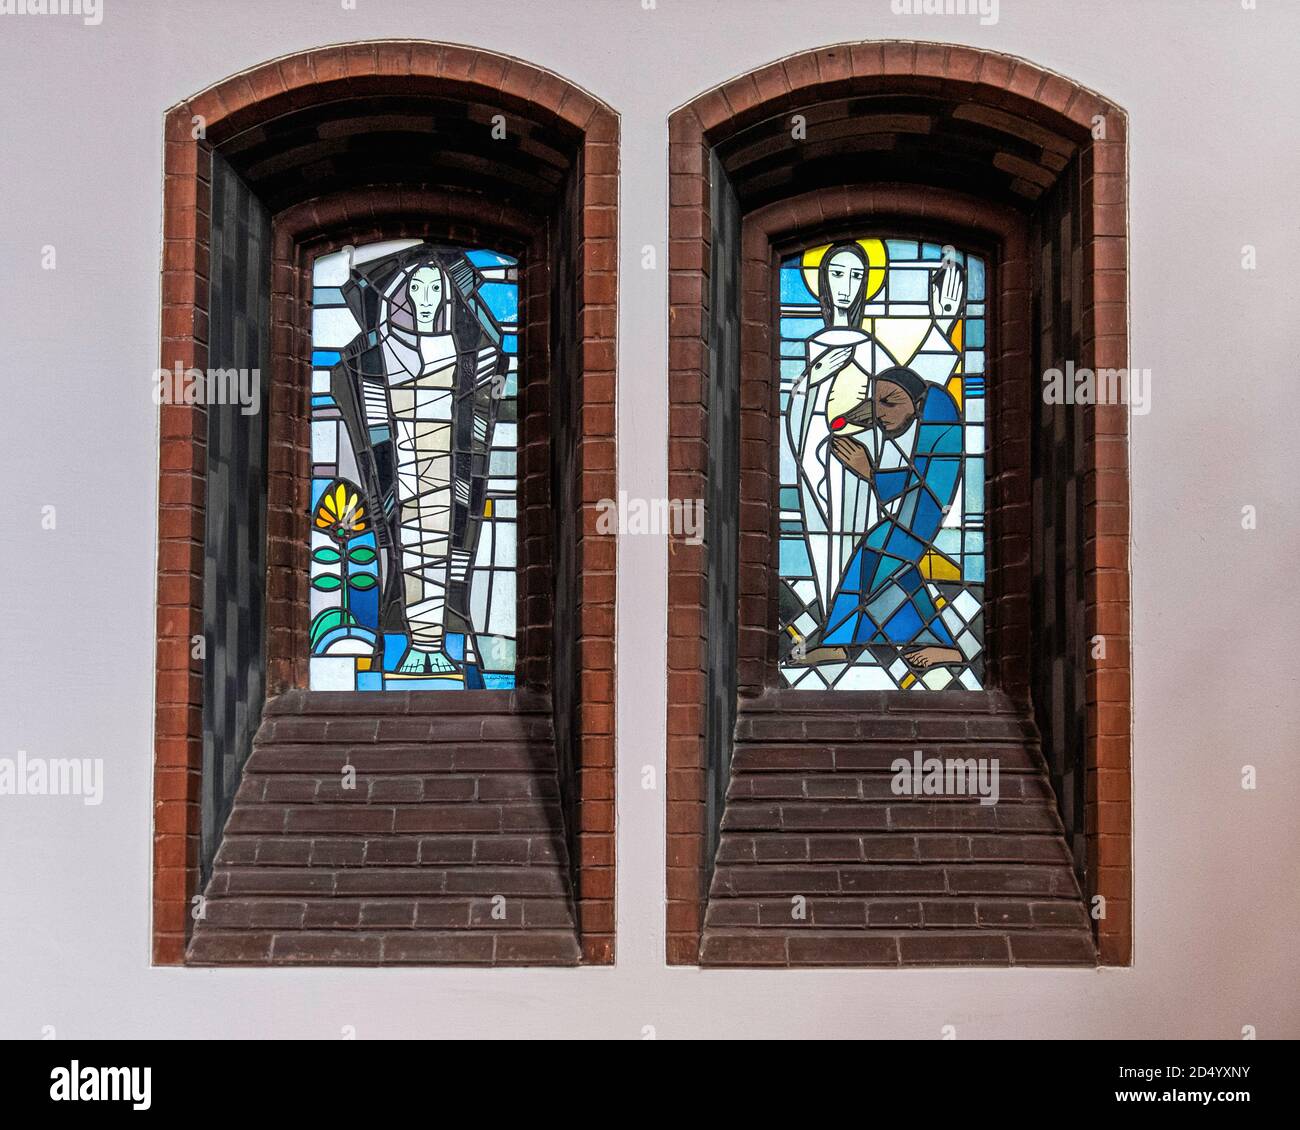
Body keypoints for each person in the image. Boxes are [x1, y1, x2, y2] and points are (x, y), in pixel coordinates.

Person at [795, 366, 965, 672]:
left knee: (878, 555)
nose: (881, 412)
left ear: (919, 401)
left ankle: (837, 643)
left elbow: (922, 481)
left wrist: (869, 472)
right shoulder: (929, 416)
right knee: (893, 569)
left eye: (890, 402)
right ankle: (942, 645)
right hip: (914, 510)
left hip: (924, 513)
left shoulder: (940, 420)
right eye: (876, 403)